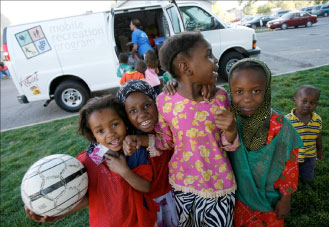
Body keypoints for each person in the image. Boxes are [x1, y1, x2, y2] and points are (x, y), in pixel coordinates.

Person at [125, 32, 240, 226]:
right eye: (208, 55)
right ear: (185, 67)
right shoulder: (164, 101)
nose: (215, 60)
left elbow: (228, 143)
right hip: (182, 185)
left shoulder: (219, 97)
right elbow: (166, 141)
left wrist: (231, 129)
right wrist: (141, 141)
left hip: (219, 185)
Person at [25, 95, 158, 227]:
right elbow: (91, 196)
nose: (110, 133)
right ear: (92, 134)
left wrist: (124, 171)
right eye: (100, 130)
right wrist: (57, 215)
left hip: (141, 221)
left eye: (115, 124)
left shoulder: (136, 150)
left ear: (125, 122)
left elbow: (146, 187)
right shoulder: (88, 161)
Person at [227, 59, 304, 227]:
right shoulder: (229, 121)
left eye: (256, 91)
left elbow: (290, 166)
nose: (247, 99)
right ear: (230, 92)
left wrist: (286, 198)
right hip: (239, 201)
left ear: (267, 90)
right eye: (239, 91)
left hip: (270, 201)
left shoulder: (281, 127)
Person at [117, 80, 178, 227]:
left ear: (155, 101)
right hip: (147, 205)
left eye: (147, 106)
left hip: (175, 197)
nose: (142, 114)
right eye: (133, 111)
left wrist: (174, 86)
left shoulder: (166, 126)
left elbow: (168, 141)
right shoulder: (127, 141)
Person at [286, 85, 323, 189]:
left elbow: (318, 135)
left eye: (312, 103)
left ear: (317, 104)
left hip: (310, 153)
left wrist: (319, 151)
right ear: (295, 101)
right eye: (304, 101)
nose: (308, 105)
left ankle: (304, 181)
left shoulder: (317, 119)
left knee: (307, 169)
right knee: (292, 170)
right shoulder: (288, 120)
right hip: (293, 153)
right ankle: (292, 181)